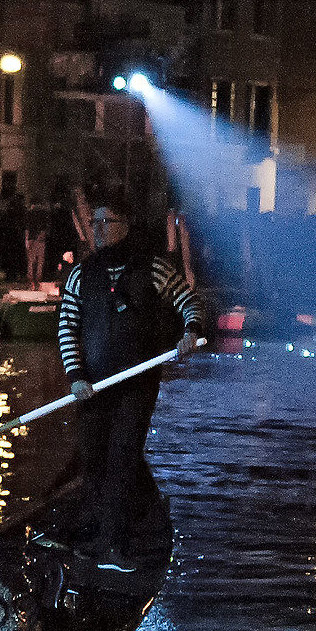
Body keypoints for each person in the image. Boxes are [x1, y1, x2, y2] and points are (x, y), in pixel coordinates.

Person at [49, 189, 206, 571]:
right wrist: (75, 377)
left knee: (122, 456)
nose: (99, 230)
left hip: (138, 382)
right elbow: (67, 328)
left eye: (107, 222)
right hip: (93, 385)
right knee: (93, 457)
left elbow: (189, 302)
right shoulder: (81, 275)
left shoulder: (153, 268)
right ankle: (106, 526)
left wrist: (190, 331)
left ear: (125, 225)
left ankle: (113, 545)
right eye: (95, 223)